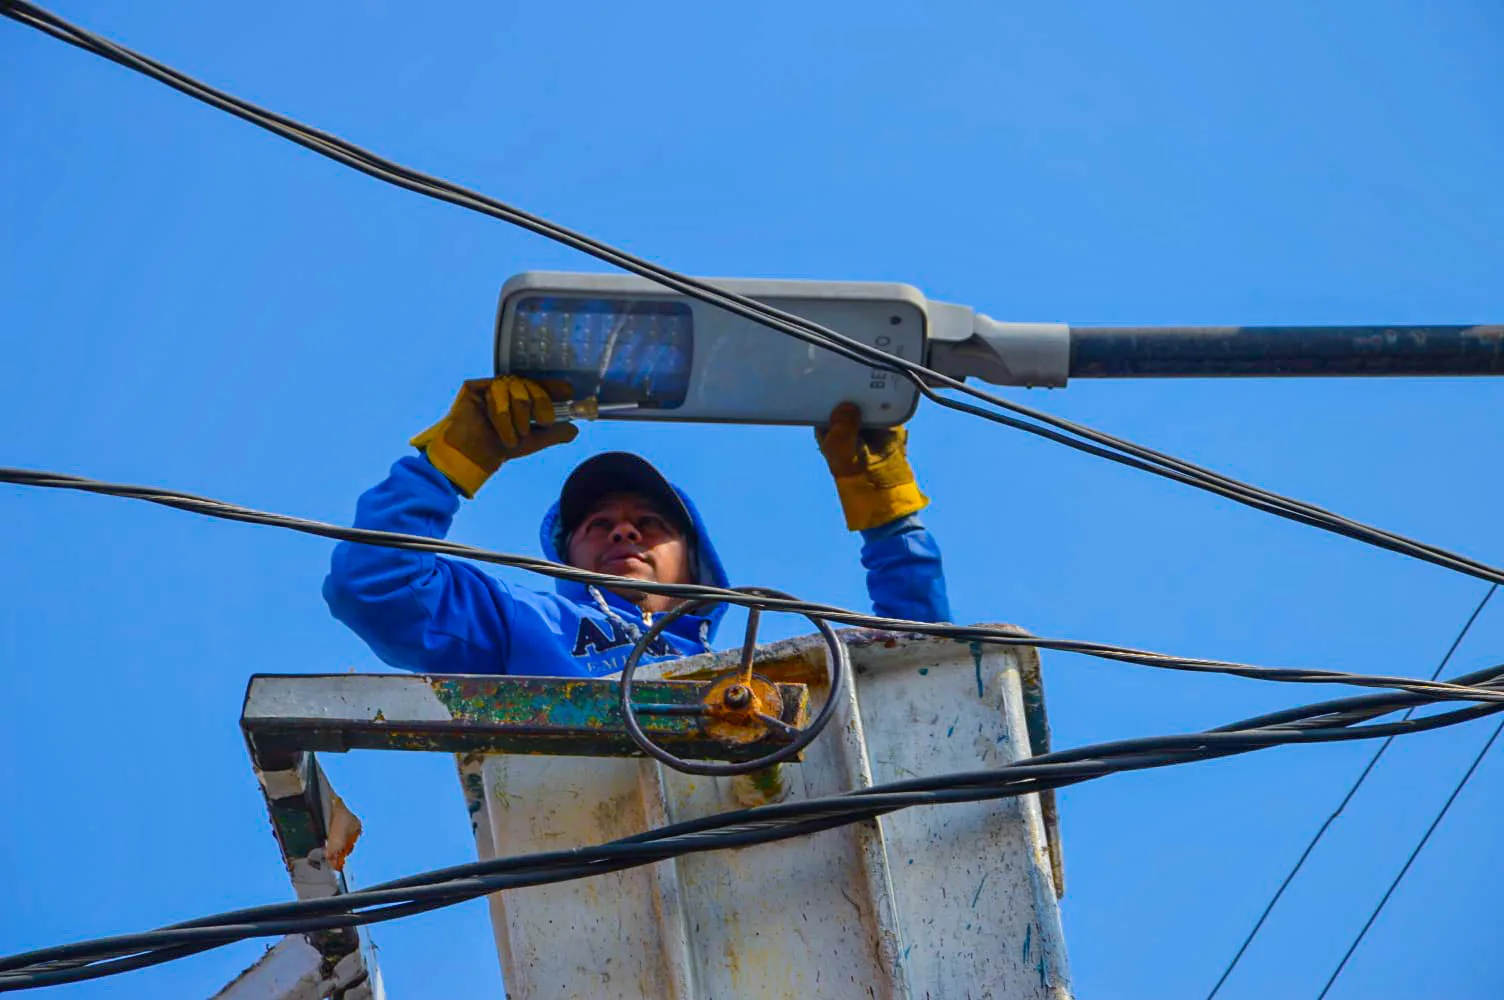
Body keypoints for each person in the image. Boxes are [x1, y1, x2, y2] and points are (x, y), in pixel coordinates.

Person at [323, 376, 950, 676]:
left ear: (695, 561)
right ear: (565, 554)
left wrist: (887, 512)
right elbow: (376, 585)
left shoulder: (756, 671)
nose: (625, 533)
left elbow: (923, 668)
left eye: (649, 522)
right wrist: (450, 462)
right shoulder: (524, 626)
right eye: (598, 524)